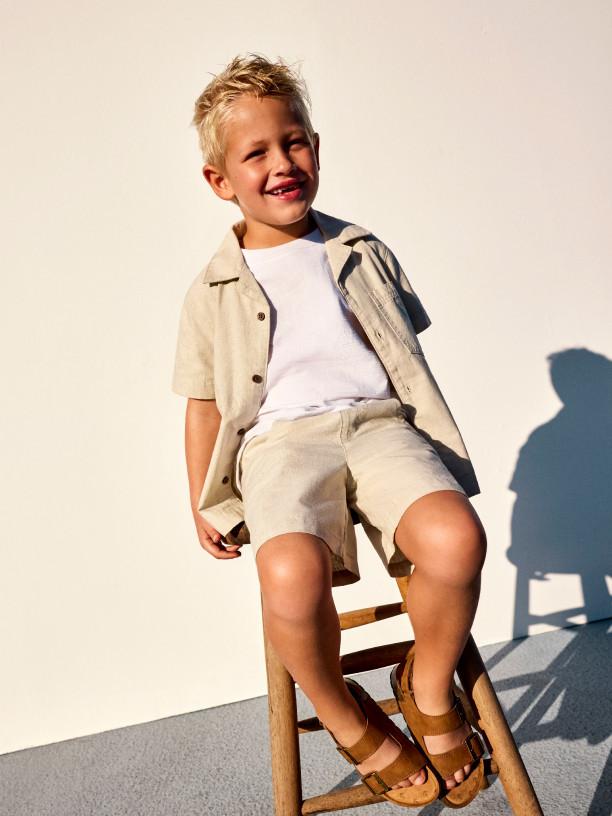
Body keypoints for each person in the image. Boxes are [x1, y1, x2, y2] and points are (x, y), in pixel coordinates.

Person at [171, 53, 488, 808]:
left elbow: (403, 355)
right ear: (221, 181)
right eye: (257, 154)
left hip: (377, 427)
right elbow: (204, 404)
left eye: (296, 142)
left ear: (316, 143)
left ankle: (430, 687)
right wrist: (200, 500)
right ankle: (347, 714)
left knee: (456, 538)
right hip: (280, 447)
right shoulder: (211, 289)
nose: (283, 164)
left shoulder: (361, 248)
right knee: (288, 575)